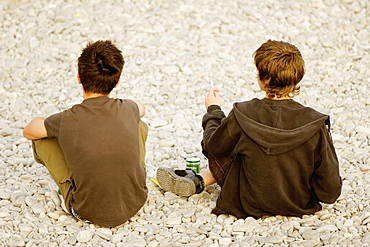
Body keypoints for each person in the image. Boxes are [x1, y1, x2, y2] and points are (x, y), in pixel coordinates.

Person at [157, 40, 342, 219]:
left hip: (245, 203)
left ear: (264, 79)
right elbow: (330, 191)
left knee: (233, 141)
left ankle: (202, 179)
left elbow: (213, 146)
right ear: (297, 77)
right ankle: (200, 180)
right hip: (298, 204)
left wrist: (213, 110)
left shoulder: (243, 113)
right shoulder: (315, 124)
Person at [23, 40, 148, 228]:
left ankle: (68, 187)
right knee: (139, 124)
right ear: (117, 81)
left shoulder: (67, 119)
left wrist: (46, 121)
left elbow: (28, 131)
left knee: (42, 139)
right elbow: (142, 109)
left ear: (79, 77)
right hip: (135, 202)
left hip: (86, 210)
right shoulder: (128, 107)